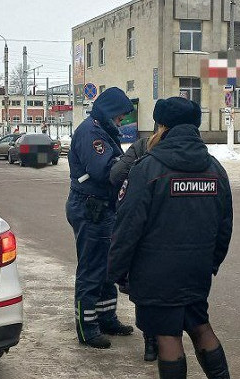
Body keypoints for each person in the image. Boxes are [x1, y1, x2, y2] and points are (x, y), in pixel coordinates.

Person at [108, 97, 240, 379]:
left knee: (167, 335)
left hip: (155, 273)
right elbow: (224, 226)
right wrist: (210, 263)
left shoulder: (148, 169)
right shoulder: (215, 170)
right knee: (200, 327)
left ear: (161, 127)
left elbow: (127, 226)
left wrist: (116, 271)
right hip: (196, 270)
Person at [65, 86, 135, 349]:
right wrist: (132, 158)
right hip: (89, 207)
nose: (121, 121)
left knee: (108, 267)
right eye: (119, 116)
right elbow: (106, 170)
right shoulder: (91, 133)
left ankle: (106, 317)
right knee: (92, 268)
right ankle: (87, 326)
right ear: (109, 112)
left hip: (103, 207)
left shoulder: (103, 130)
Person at [109, 134, 158, 362]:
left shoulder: (143, 146)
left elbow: (116, 174)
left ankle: (151, 343)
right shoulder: (197, 151)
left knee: (146, 286)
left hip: (147, 230)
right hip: (182, 232)